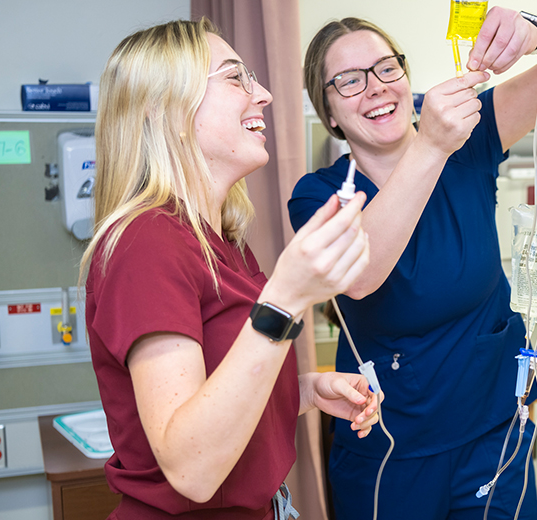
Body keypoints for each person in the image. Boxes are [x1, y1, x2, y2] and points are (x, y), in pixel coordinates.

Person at [288, 9, 537, 520]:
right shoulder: (319, 195)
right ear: (328, 114)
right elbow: (361, 276)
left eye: (386, 68)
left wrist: (535, 31)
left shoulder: (469, 142)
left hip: (494, 437)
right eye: (348, 81)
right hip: (392, 455)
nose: (374, 88)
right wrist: (431, 142)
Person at [81, 19, 379, 519]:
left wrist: (305, 390)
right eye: (235, 78)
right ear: (168, 109)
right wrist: (285, 298)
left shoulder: (222, 241)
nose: (262, 94)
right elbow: (192, 468)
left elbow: (220, 389)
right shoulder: (146, 242)